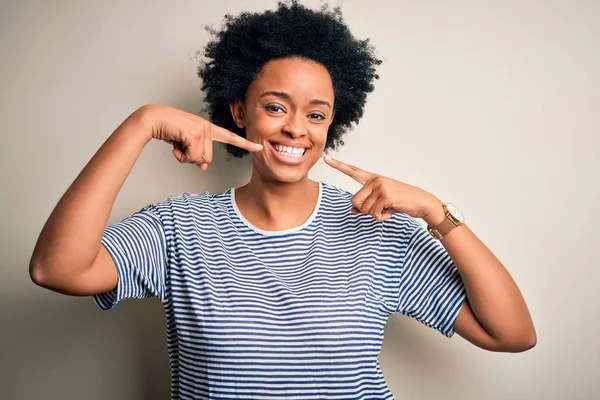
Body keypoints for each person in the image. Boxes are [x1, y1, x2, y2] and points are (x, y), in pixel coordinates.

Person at [29, 1, 536, 399]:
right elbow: (57, 269)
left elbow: (511, 333)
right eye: (276, 107)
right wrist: (140, 125)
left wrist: (436, 213)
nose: (296, 127)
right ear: (239, 111)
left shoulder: (378, 231)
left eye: (317, 115)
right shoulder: (178, 230)